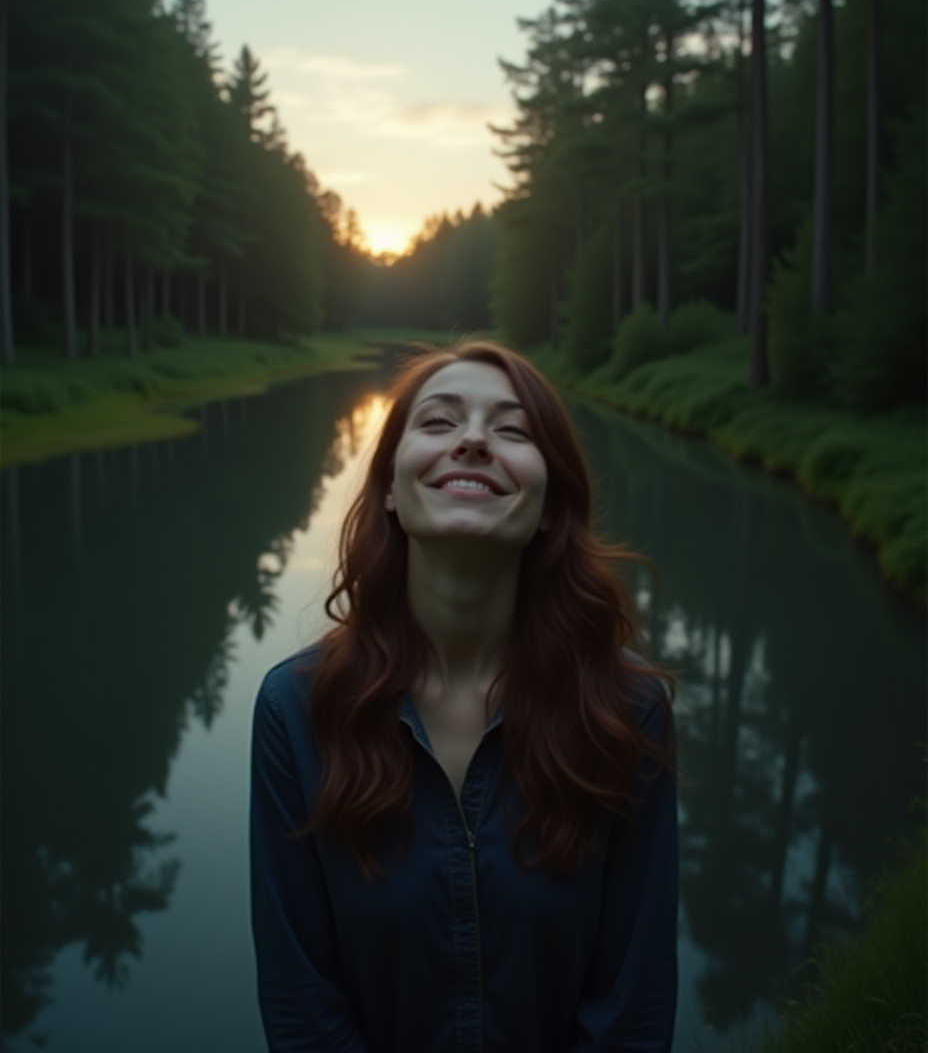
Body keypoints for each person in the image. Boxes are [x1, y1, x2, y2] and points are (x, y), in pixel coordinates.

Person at [250, 339, 678, 1053]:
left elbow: (631, 1008)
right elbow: (303, 1009)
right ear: (390, 486)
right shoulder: (296, 711)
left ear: (547, 506)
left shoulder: (627, 712)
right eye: (440, 422)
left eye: (511, 431)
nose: (474, 440)